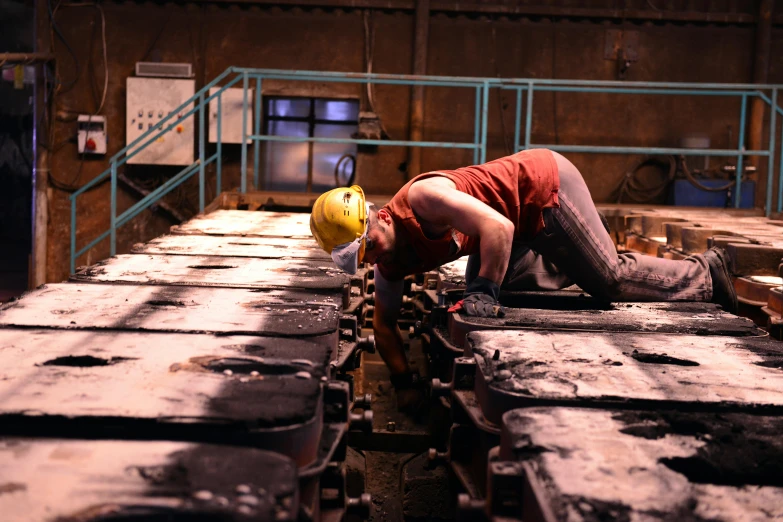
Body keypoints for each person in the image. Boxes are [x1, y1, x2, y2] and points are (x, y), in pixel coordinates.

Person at [309, 148, 738, 402]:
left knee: (607, 281)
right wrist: (403, 381)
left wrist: (483, 289)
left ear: (380, 217)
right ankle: (575, 254)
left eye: (369, 246)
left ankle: (706, 275)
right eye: (359, 257)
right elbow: (383, 325)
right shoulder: (390, 263)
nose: (368, 259)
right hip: (513, 224)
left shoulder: (423, 198)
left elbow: (499, 228)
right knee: (513, 284)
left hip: (542, 189)